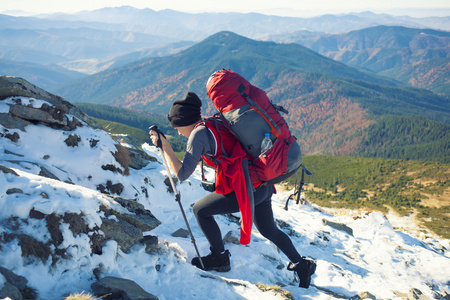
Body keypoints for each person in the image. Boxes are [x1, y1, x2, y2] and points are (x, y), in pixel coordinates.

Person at [149, 91, 316, 288]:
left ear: (184, 121)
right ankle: (301, 264)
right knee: (268, 229)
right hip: (261, 184)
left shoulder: (198, 136)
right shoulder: (212, 123)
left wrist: (166, 147)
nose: (177, 132)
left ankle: (219, 258)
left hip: (247, 189)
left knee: (200, 210)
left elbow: (183, 174)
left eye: (177, 127)